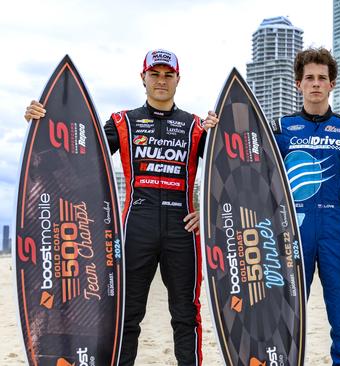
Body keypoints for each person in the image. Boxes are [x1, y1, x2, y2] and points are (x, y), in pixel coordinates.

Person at [25, 49, 218, 366]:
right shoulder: (124, 122)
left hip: (182, 231)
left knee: (186, 315)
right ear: (142, 78)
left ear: (178, 80)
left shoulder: (196, 127)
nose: (161, 81)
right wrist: (40, 121)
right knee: (126, 316)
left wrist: (208, 210)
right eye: (154, 74)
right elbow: (79, 148)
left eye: (168, 75)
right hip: (135, 229)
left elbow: (227, 171)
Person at [270, 47, 340, 365]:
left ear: (332, 84)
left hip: (336, 231)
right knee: (286, 315)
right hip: (293, 230)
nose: (316, 83)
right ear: (298, 83)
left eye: (322, 78)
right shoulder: (279, 129)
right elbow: (254, 173)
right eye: (310, 78)